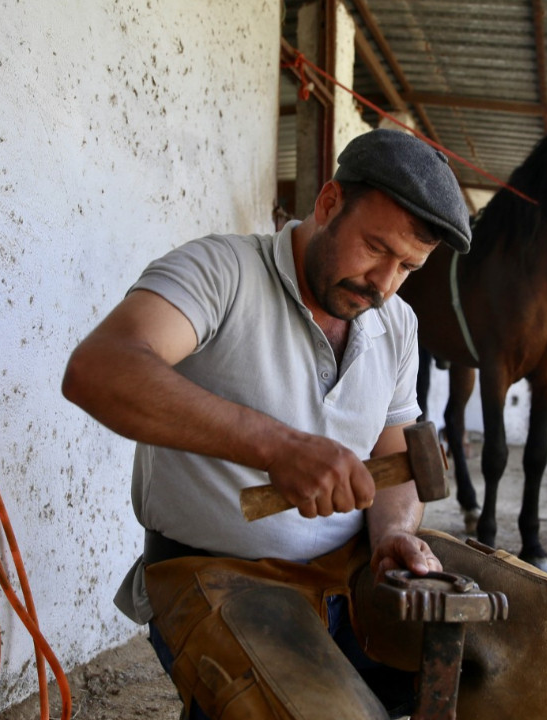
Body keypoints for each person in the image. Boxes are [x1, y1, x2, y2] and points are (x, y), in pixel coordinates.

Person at [61, 128, 472, 719]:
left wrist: (392, 535)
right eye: (376, 248)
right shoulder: (222, 270)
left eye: (408, 266)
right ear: (328, 203)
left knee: (523, 656)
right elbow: (99, 369)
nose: (384, 283)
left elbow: (396, 460)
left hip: (348, 577)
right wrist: (276, 446)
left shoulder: (397, 325)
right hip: (216, 576)